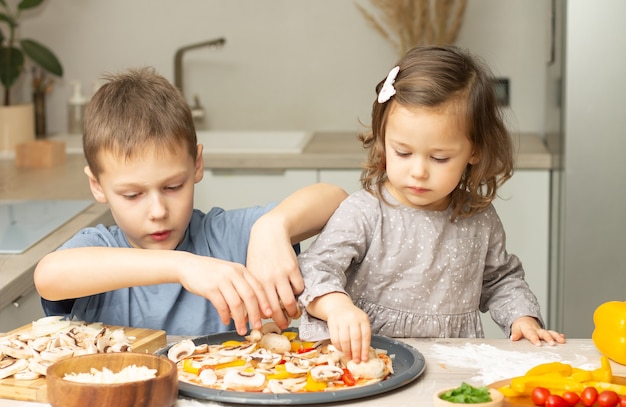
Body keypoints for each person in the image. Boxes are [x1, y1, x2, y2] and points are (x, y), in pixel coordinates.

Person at [297, 45, 566, 363]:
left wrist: (522, 318)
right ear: (383, 141)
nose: (419, 171)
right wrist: (337, 307)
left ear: (474, 151)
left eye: (439, 157)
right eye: (403, 152)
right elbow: (315, 269)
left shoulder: (479, 219)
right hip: (366, 361)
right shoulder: (365, 212)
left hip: (451, 364)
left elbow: (500, 279)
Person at [34, 67, 348, 336]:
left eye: (173, 186)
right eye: (132, 195)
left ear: (197, 165)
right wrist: (182, 266)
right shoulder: (98, 249)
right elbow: (48, 276)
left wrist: (274, 227)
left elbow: (336, 199)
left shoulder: (228, 236)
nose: (157, 212)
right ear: (96, 185)